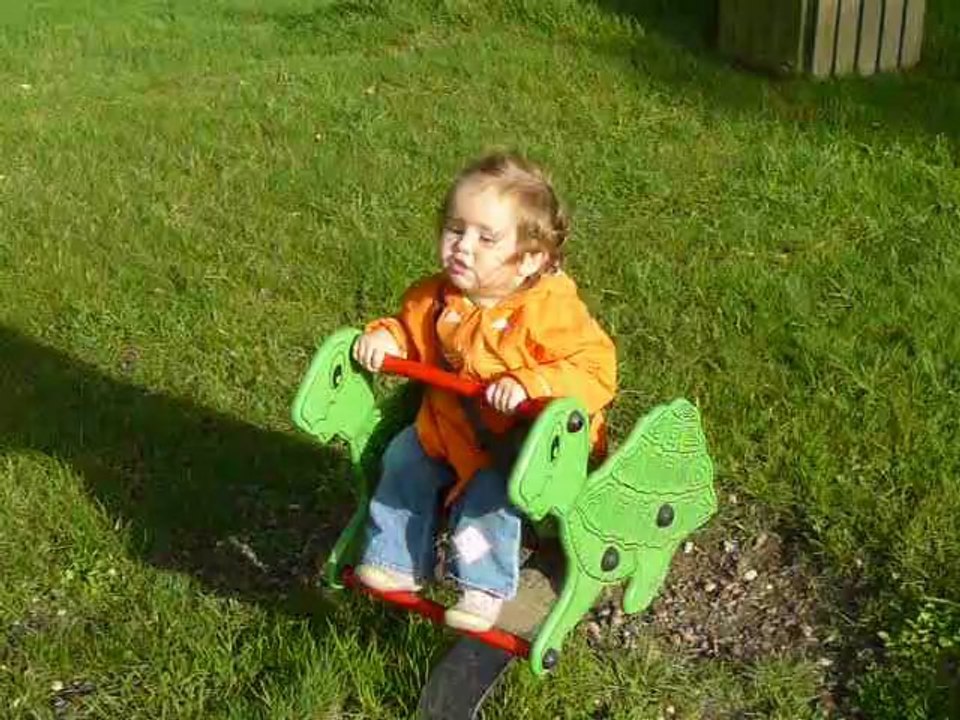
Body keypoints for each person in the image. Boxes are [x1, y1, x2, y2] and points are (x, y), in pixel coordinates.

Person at [351, 151, 617, 632]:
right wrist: (387, 337)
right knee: (403, 458)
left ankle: (484, 586)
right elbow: (411, 332)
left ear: (529, 259)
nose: (462, 247)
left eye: (485, 238)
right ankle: (394, 558)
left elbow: (596, 370)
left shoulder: (547, 311)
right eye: (455, 230)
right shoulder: (435, 299)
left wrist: (531, 383)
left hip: (523, 447)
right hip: (451, 428)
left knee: (489, 497)